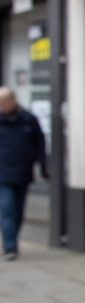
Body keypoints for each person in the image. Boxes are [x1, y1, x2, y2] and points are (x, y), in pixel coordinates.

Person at [0, 87, 47, 262]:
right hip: (2, 174)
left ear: (13, 100)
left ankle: (12, 241)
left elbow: (39, 144)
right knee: (7, 208)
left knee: (18, 211)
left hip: (22, 173)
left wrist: (43, 165)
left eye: (3, 102)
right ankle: (10, 247)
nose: (1, 105)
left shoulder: (28, 120)